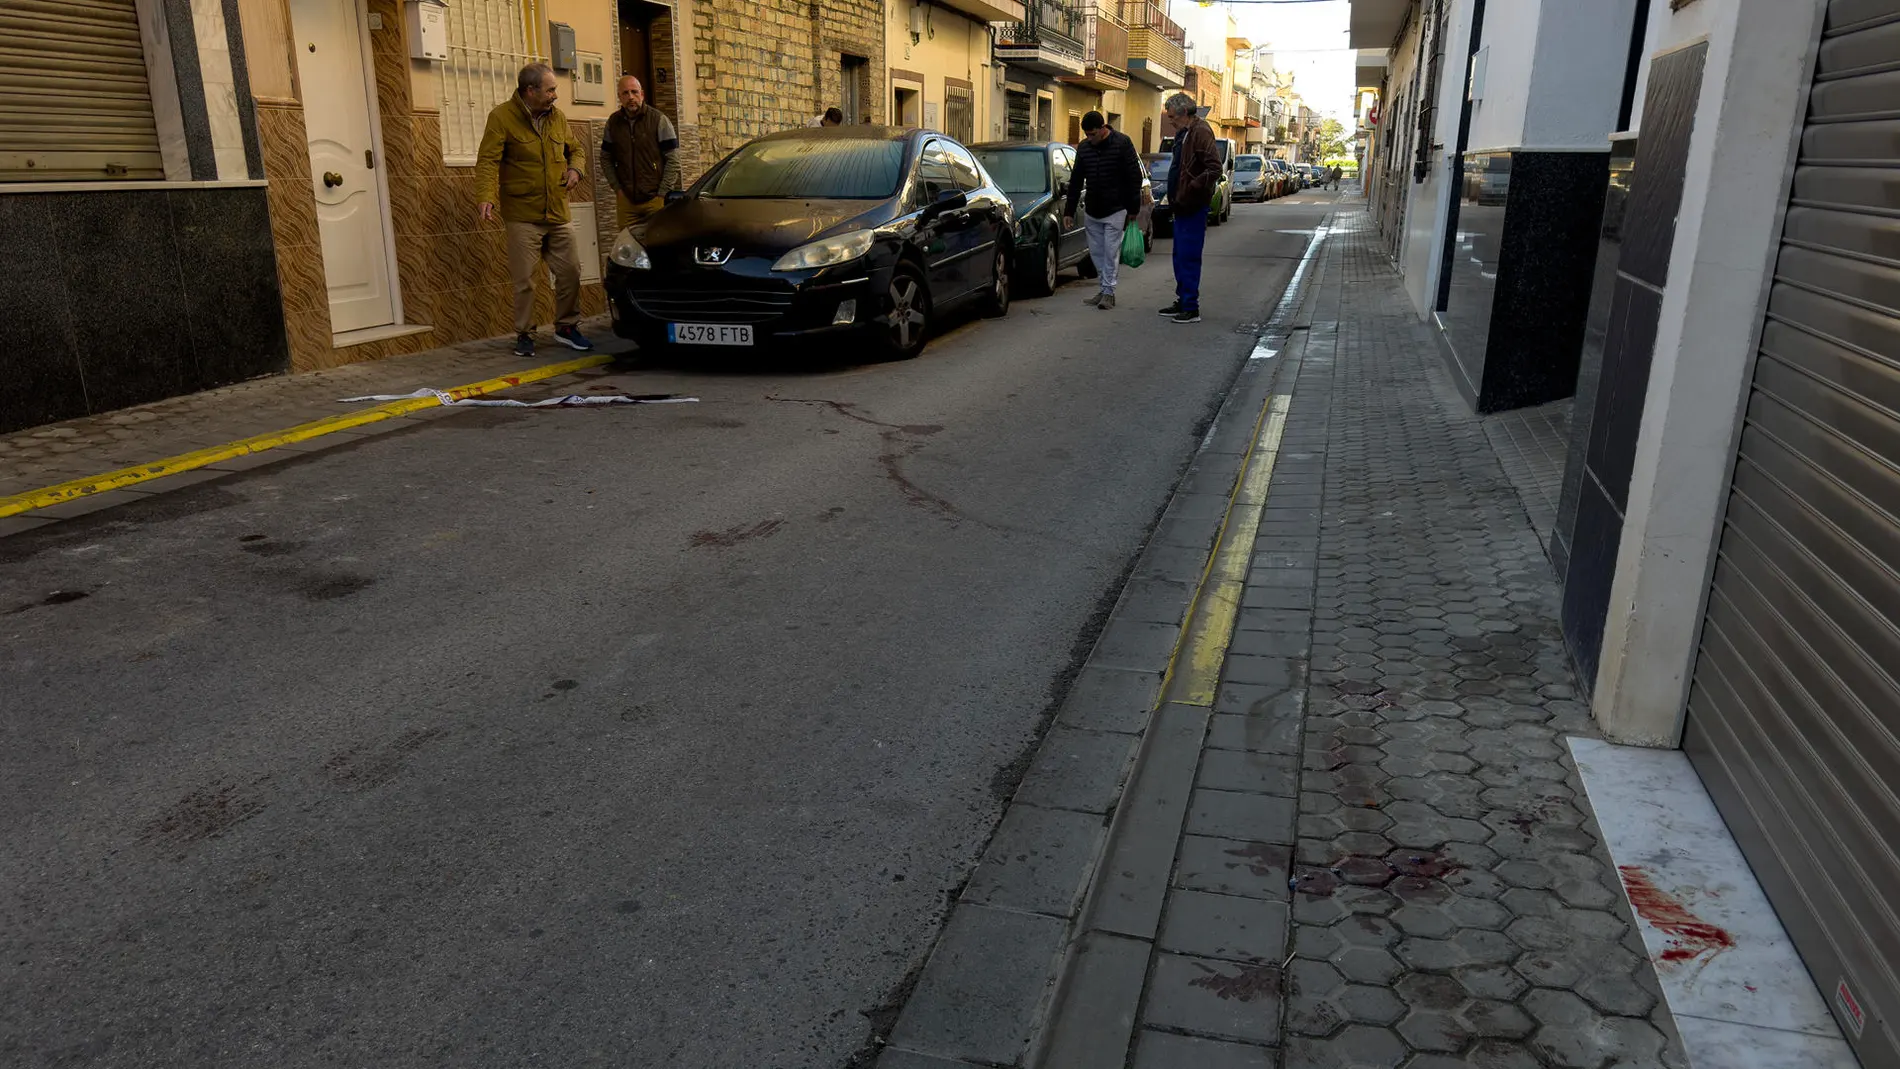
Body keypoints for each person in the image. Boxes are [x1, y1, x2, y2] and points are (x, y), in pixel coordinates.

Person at [476, 63, 591, 358]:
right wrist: (486, 196)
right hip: (522, 213)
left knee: (571, 271)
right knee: (525, 278)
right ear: (530, 91)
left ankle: (566, 327)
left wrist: (576, 170)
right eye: (550, 89)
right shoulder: (501, 117)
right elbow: (488, 161)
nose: (555, 95)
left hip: (557, 210)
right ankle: (525, 333)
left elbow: (575, 149)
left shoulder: (558, 118)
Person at [1061, 111, 1143, 311]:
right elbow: (1076, 180)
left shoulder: (1122, 143)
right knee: (1097, 253)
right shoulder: (1084, 148)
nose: (1090, 139)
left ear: (1104, 129)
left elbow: (1135, 177)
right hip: (1092, 209)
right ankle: (1103, 287)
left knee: (1110, 251)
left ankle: (1109, 292)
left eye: (1093, 135)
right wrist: (1069, 211)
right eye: (1087, 135)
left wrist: (1133, 208)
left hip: (1116, 209)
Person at [1158, 93, 1219, 324]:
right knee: (1179, 256)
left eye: (1172, 116)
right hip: (1182, 203)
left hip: (1193, 204)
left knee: (1188, 256)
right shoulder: (1185, 133)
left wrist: (1193, 186)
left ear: (1184, 113)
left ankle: (1191, 307)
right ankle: (1183, 300)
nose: (1170, 121)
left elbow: (1214, 168)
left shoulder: (1201, 132)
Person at [601, 75, 680, 242]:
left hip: (654, 200)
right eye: (625, 93)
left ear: (642, 94)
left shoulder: (659, 120)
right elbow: (605, 158)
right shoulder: (613, 123)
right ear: (619, 97)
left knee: (657, 245)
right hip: (627, 201)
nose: (630, 97)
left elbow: (673, 160)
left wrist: (662, 194)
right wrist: (617, 188)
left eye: (634, 92)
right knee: (627, 246)